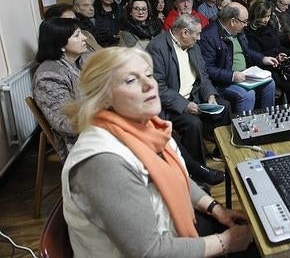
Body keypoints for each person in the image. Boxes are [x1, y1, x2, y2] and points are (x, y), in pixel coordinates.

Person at [61, 47, 255, 257]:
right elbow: (148, 252)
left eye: (148, 74)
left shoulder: (147, 127)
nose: (149, 85)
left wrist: (215, 208)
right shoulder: (102, 162)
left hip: (174, 233)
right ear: (103, 96)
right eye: (130, 80)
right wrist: (226, 242)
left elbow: (176, 176)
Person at [147, 14, 231, 167]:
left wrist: (210, 94)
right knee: (193, 123)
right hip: (170, 104)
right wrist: (185, 104)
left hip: (195, 95)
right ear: (185, 32)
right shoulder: (157, 47)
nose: (199, 38)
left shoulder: (193, 46)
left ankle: (221, 152)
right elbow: (157, 87)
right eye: (197, 34)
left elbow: (203, 75)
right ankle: (197, 169)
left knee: (224, 106)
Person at [199, 2, 278, 113]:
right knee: (247, 94)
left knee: (270, 83)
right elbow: (207, 68)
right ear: (233, 21)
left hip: (244, 75)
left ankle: (268, 118)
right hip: (223, 81)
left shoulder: (238, 31)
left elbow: (246, 51)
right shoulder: (209, 36)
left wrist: (262, 58)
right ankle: (243, 127)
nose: (246, 25)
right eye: (244, 21)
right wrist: (232, 76)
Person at [33, 18, 88, 160]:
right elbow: (66, 124)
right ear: (60, 44)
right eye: (77, 35)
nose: (84, 38)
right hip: (79, 141)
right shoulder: (49, 76)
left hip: (95, 125)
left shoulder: (79, 60)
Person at [244, 0, 290, 103]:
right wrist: (277, 55)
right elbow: (257, 55)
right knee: (289, 84)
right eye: (263, 16)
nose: (266, 19)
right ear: (255, 16)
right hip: (262, 67)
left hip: (276, 63)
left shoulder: (270, 27)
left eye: (268, 16)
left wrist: (287, 52)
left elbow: (277, 46)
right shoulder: (249, 32)